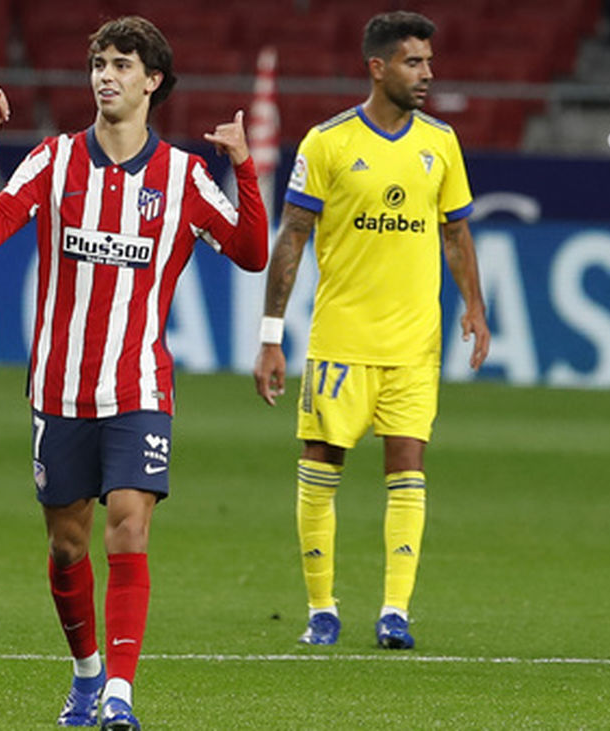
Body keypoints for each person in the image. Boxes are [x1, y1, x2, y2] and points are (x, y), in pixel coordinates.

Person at [0, 16, 267, 729]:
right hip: (60, 388)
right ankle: (86, 672)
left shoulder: (185, 177)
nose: (106, 75)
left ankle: (121, 693)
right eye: (99, 63)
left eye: (122, 65)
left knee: (127, 526)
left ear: (152, 80)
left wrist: (245, 167)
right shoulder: (54, 159)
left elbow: (251, 251)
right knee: (67, 543)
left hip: (138, 386)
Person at [252, 11, 491, 650]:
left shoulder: (439, 142)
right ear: (378, 67)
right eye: (415, 62)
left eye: (430, 63)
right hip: (341, 339)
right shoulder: (327, 143)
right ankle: (322, 609)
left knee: (408, 463)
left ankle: (395, 611)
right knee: (321, 462)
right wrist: (272, 334)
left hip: (415, 343)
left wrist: (475, 305)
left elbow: (455, 231)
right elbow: (293, 238)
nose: (428, 75)